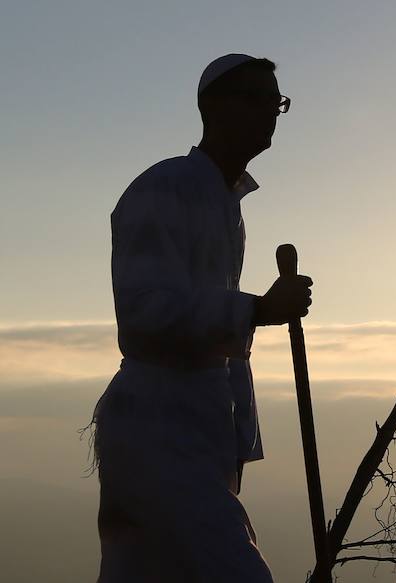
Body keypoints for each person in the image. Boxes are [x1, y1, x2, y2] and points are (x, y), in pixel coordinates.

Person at [86, 53, 311, 583]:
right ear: (211, 107)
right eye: (255, 99)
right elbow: (144, 316)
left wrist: (236, 443)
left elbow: (211, 344)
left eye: (275, 102)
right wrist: (257, 308)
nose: (270, 113)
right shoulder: (164, 189)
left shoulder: (224, 202)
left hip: (189, 436)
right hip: (158, 434)